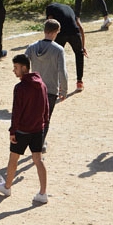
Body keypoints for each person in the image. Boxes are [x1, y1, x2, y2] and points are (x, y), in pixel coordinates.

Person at [0, 54, 49, 204]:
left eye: (16, 68)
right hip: (38, 129)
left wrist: (13, 131)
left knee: (13, 158)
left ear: (24, 68)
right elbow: (46, 105)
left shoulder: (20, 87)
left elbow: (16, 111)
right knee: (38, 159)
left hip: (23, 130)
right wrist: (44, 122)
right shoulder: (42, 84)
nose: (14, 71)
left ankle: (7, 187)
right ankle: (43, 193)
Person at [25, 18, 68, 148]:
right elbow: (62, 71)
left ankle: (32, 141)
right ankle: (40, 143)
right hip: (50, 90)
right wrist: (64, 90)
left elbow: (23, 66)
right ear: (56, 32)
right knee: (45, 119)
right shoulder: (58, 49)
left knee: (33, 117)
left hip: (33, 88)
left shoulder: (31, 47)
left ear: (44, 31)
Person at [46, 2, 87, 92]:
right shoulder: (69, 8)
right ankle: (79, 83)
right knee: (79, 54)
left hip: (61, 33)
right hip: (74, 32)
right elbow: (81, 27)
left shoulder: (50, 7)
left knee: (56, 57)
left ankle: (59, 84)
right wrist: (83, 47)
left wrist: (47, 43)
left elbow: (50, 24)